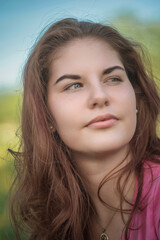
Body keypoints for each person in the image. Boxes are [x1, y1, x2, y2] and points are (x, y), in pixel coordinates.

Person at [9, 17, 160, 240]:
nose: (100, 96)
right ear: (46, 115)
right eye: (74, 85)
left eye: (113, 78)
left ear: (136, 97)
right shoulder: (55, 225)